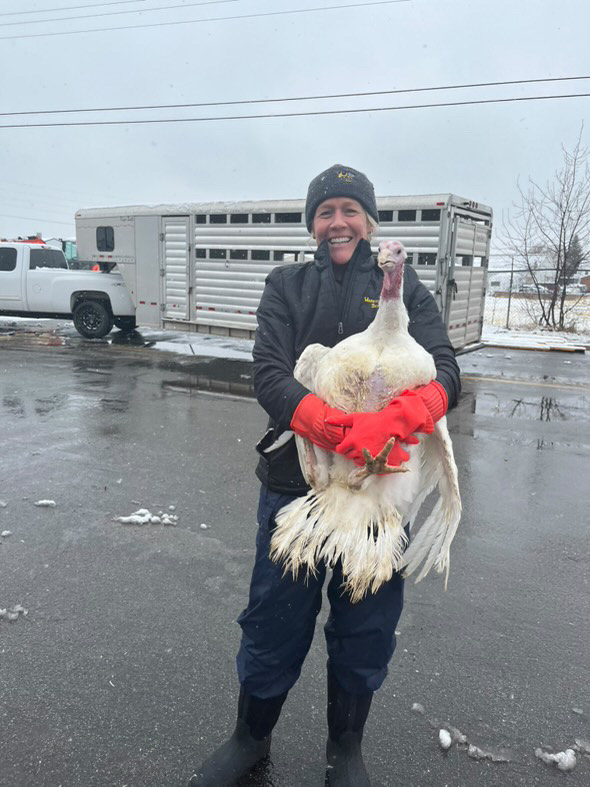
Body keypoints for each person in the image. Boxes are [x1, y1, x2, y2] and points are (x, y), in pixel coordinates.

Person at [189, 165, 460, 786]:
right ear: (312, 223)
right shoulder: (286, 285)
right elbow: (267, 371)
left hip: (381, 495)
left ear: (369, 221)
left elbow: (446, 368)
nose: (338, 222)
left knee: (365, 625)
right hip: (298, 485)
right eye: (325, 211)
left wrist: (416, 408)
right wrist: (330, 426)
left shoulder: (406, 288)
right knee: (274, 619)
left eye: (349, 210)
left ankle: (346, 748)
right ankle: (249, 737)